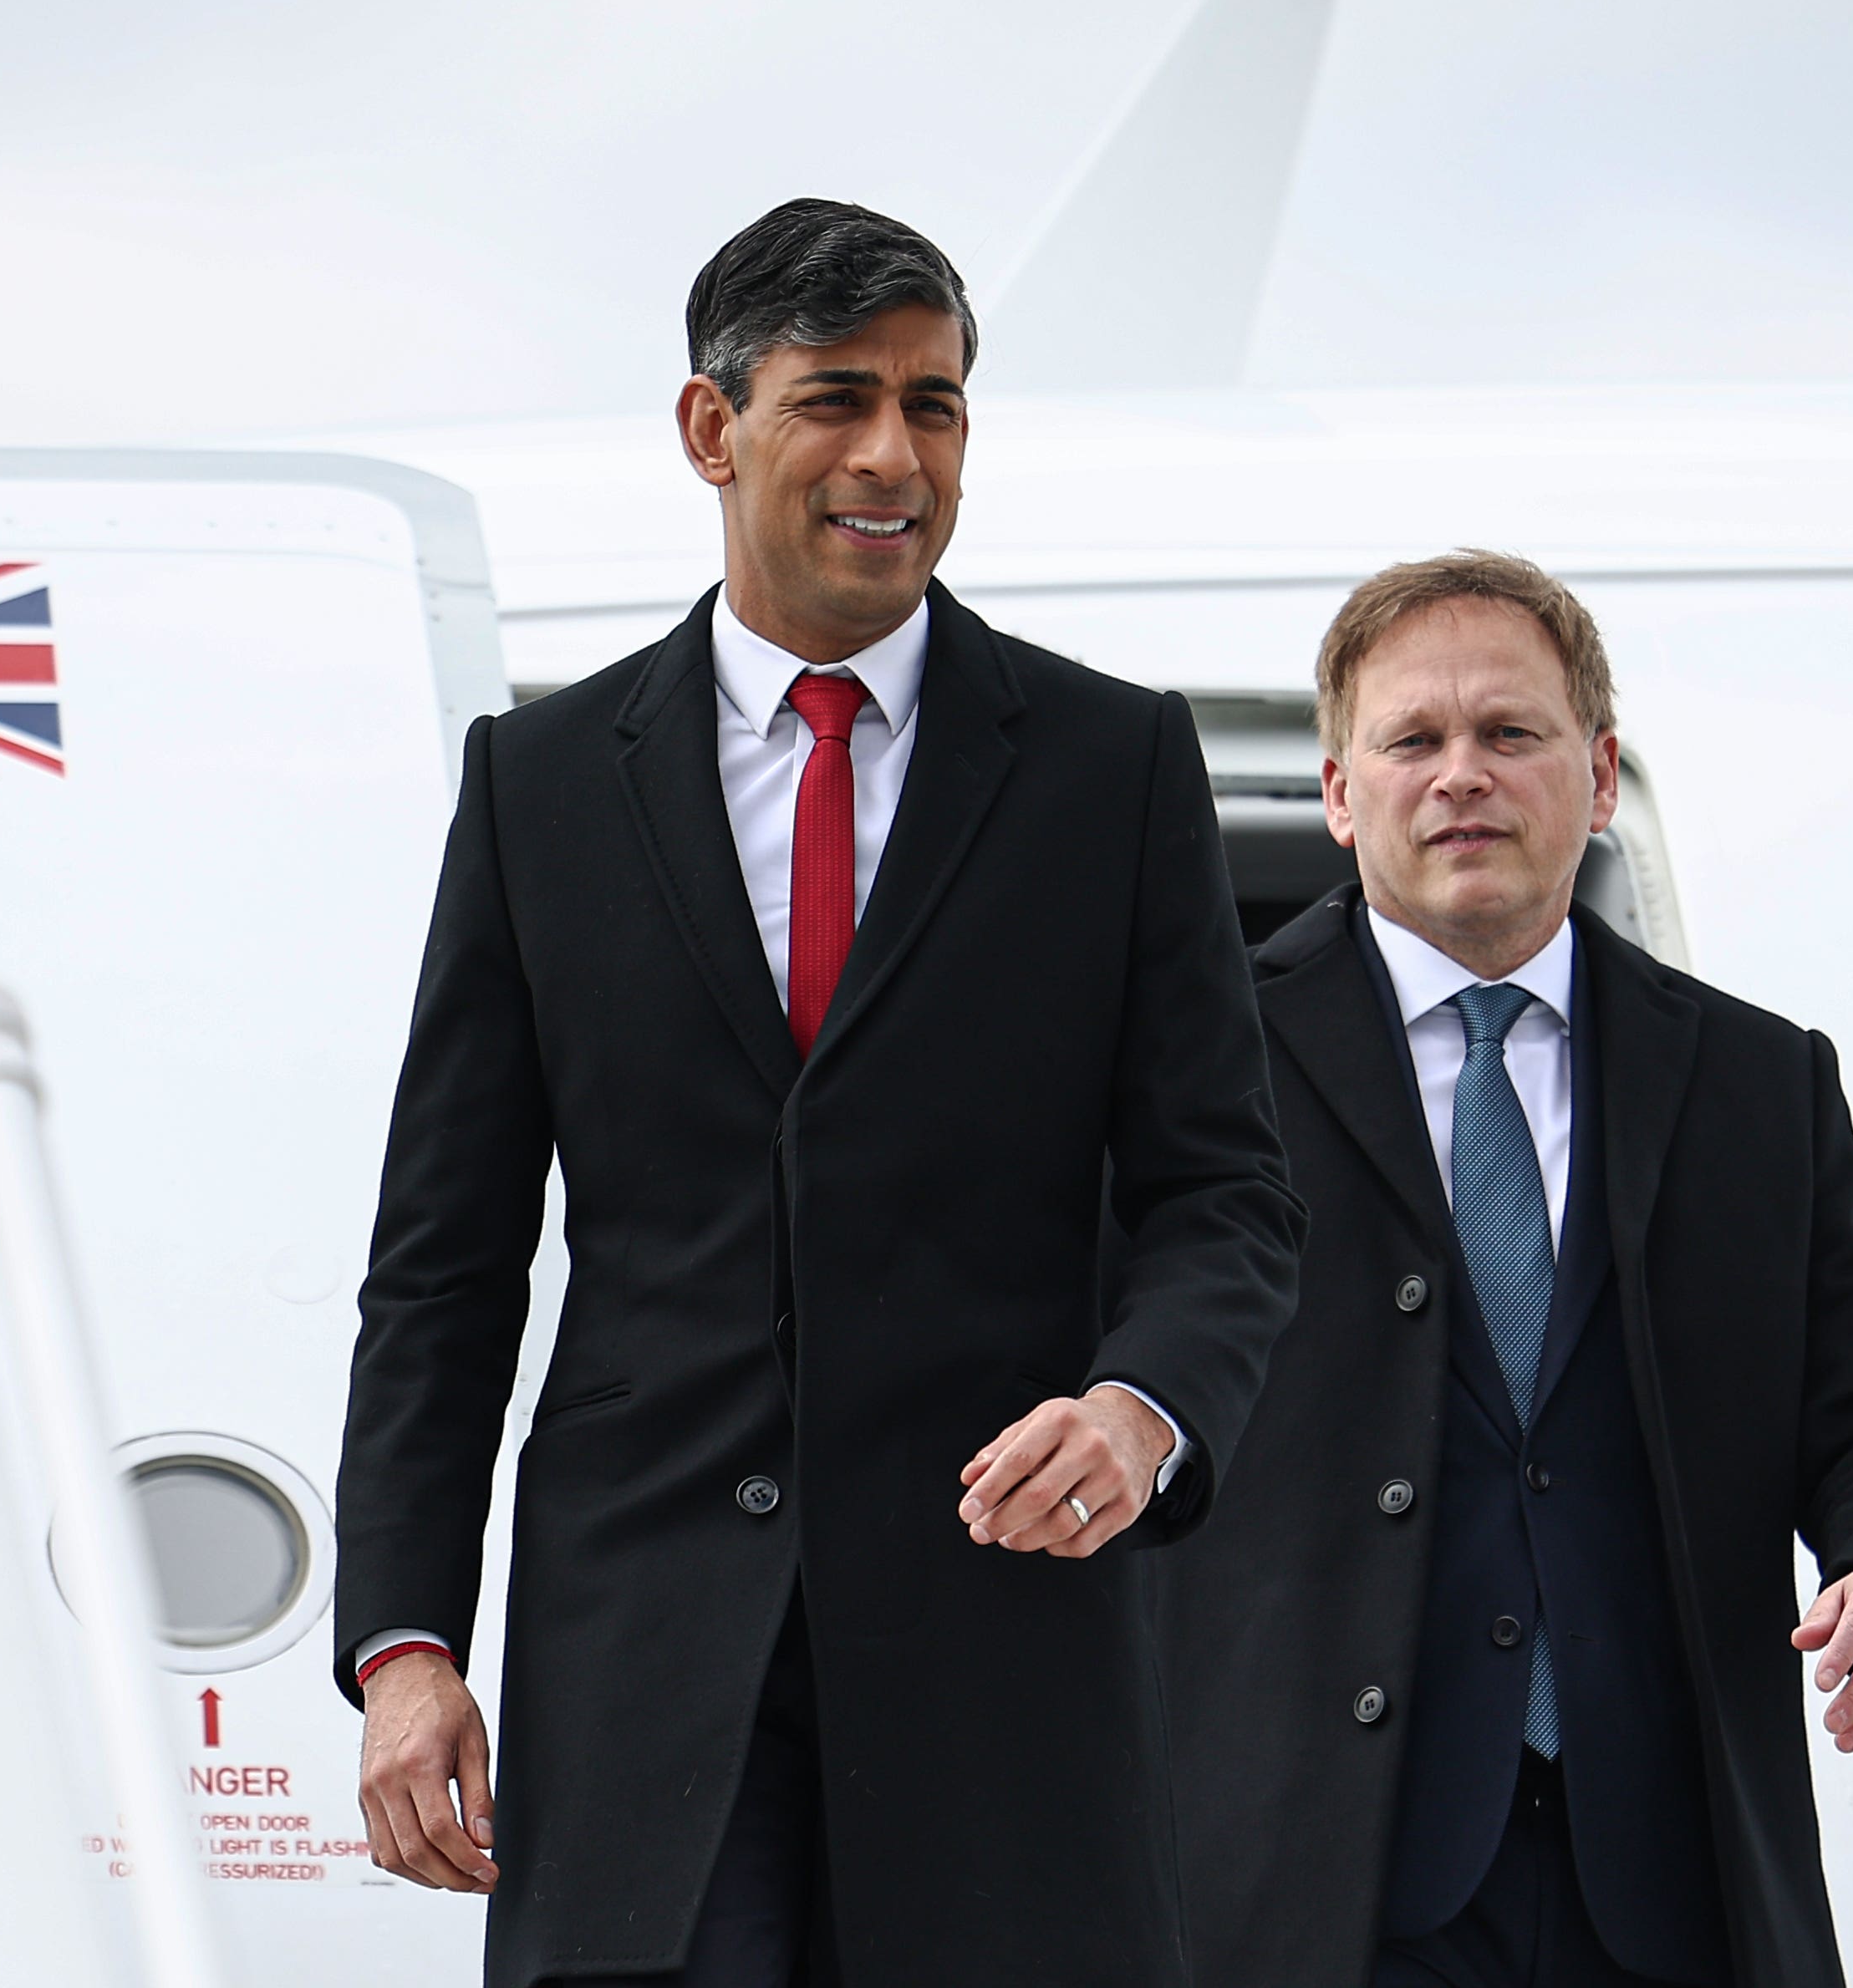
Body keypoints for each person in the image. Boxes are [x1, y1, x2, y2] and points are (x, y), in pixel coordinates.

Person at [335, 197, 1303, 1988]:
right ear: (713, 430)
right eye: (836, 399)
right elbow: (444, 1269)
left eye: (933, 407)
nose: (892, 455)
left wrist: (1141, 1404)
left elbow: (1226, 1199)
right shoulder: (541, 787)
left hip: (1002, 1681)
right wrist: (405, 1642)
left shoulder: (1112, 765)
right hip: (640, 1693)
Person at [1152, 552, 1853, 1988]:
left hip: (1673, 1898)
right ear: (1342, 794)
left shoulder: (1755, 1083)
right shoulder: (1187, 1072)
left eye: (1511, 734)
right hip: (1311, 1893)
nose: (1461, 775)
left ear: (1599, 776)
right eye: (1414, 740)